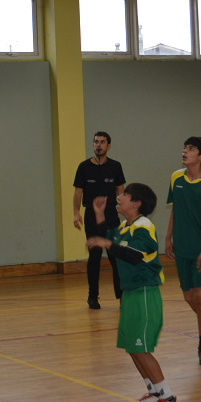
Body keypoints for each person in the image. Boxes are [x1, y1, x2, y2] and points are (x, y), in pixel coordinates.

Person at [86, 185, 179, 402]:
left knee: (142, 348)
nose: (119, 197)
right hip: (130, 293)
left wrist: (106, 243)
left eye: (125, 195)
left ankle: (168, 397)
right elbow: (110, 239)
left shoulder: (144, 226)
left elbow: (134, 255)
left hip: (144, 293)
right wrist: (99, 216)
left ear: (136, 203)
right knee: (132, 348)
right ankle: (154, 392)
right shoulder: (126, 227)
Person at [165, 137, 201, 366]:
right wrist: (168, 237)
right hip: (181, 246)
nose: (185, 151)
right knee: (189, 296)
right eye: (185, 148)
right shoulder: (175, 177)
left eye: (191, 149)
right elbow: (175, 210)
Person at [73, 131, 126, 309]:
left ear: (108, 146)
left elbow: (121, 191)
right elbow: (78, 192)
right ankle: (92, 297)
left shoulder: (116, 166)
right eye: (96, 142)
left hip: (111, 215)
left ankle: (121, 297)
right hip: (91, 217)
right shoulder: (83, 167)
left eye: (102, 142)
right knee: (94, 257)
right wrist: (76, 212)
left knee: (115, 256)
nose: (98, 145)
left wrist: (125, 211)